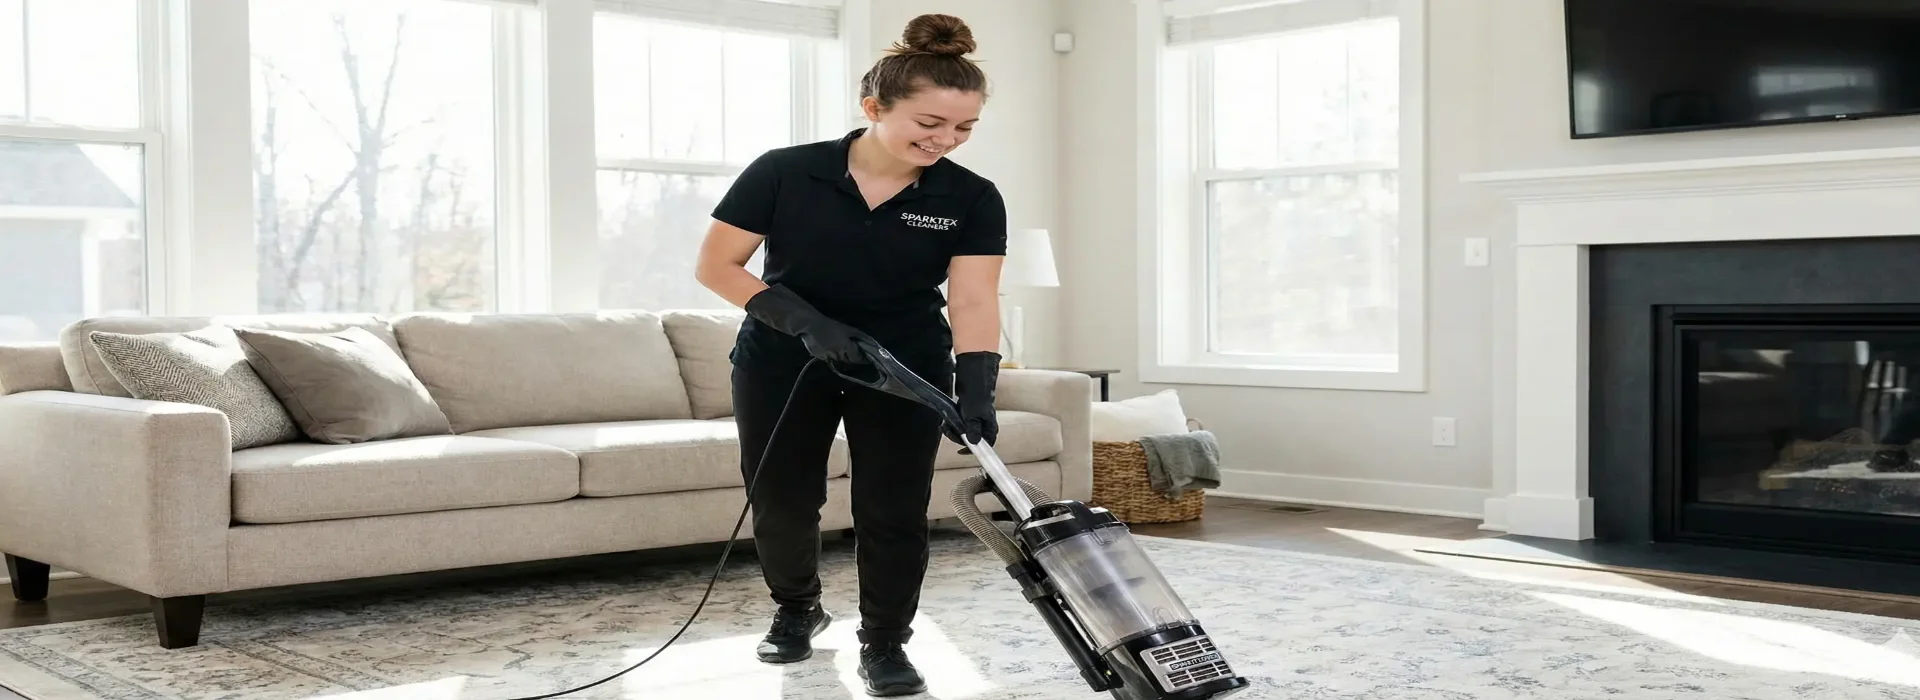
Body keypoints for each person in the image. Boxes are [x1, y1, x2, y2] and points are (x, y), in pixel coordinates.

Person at [692, 12, 1005, 697]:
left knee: (893, 508)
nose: (945, 140)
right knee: (781, 498)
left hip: (904, 367)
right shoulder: (785, 172)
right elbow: (717, 265)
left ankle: (886, 642)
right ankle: (796, 607)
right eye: (929, 123)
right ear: (873, 108)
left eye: (962, 129)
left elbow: (976, 300)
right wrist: (805, 323)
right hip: (784, 359)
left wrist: (977, 388)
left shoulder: (971, 197)